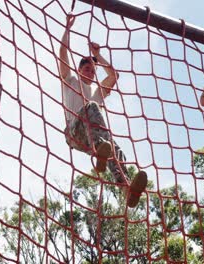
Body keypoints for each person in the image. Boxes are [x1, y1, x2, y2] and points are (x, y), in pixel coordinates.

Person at [59, 14, 147, 208]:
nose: (91, 72)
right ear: (80, 69)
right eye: (87, 69)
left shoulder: (98, 92)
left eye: (93, 70)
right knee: (91, 107)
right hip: (74, 132)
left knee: (115, 148)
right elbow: (63, 54)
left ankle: (126, 188)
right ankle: (100, 151)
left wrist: (98, 56)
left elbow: (114, 75)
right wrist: (67, 28)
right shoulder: (70, 81)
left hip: (92, 139)